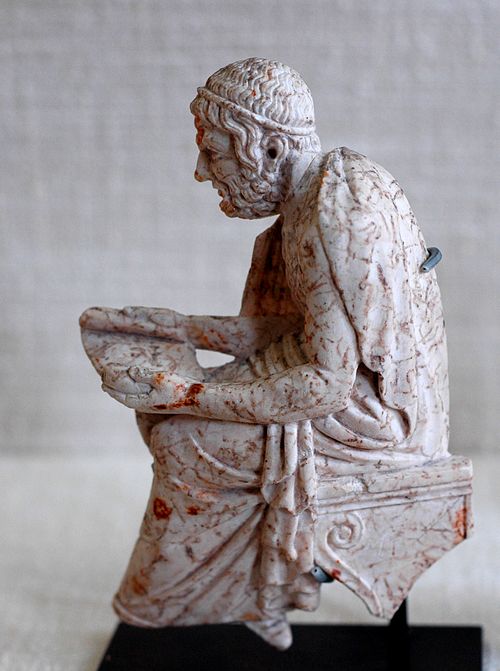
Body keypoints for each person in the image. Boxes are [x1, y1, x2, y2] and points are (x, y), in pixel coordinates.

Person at [80, 58, 449, 650]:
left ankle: (216, 600)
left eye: (214, 153)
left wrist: (189, 393)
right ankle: (247, 591)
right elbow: (300, 332)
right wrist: (182, 329)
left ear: (270, 148)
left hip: (372, 419)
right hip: (337, 384)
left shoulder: (332, 217)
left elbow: (328, 383)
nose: (203, 172)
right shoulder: (317, 193)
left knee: (180, 439)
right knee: (159, 413)